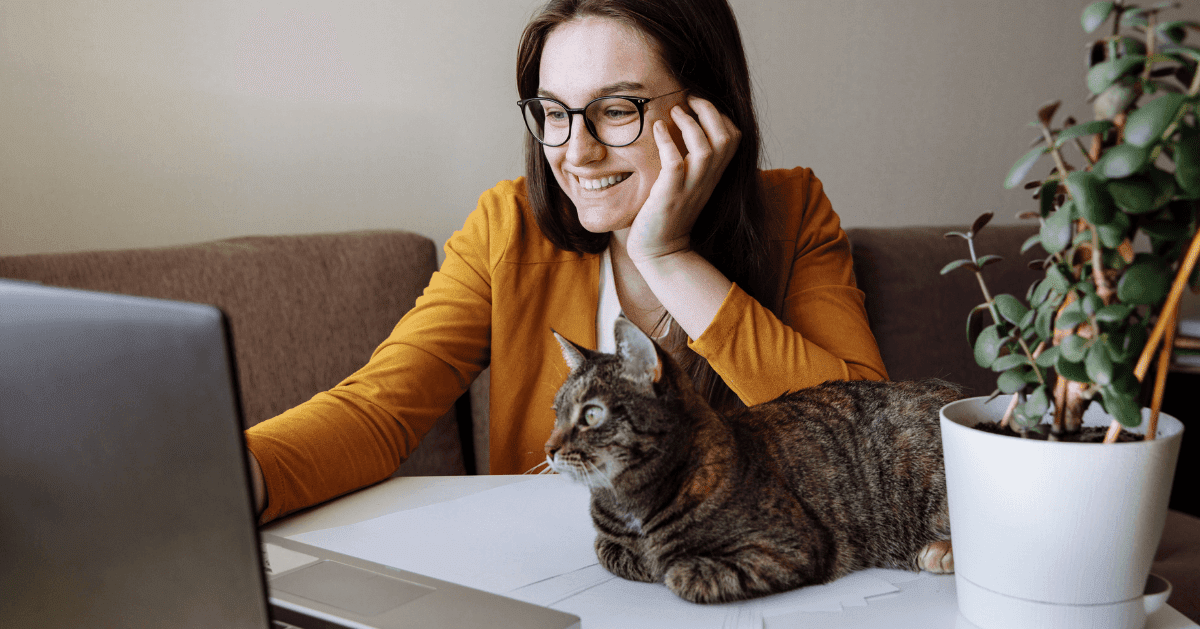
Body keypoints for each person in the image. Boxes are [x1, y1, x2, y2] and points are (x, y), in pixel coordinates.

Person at [245, 0, 887, 524]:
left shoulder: (795, 211)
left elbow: (870, 445)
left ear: (706, 110)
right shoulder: (508, 226)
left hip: (756, 572)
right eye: (554, 113)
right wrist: (222, 475)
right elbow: (379, 411)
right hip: (555, 577)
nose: (575, 152)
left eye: (614, 111)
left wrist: (668, 256)